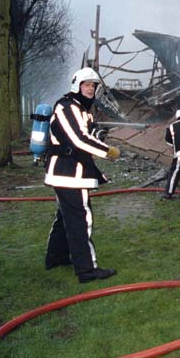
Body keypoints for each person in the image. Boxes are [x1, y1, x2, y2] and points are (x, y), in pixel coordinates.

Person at [44, 67, 121, 283]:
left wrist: (98, 132)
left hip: (68, 173)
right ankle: (87, 270)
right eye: (87, 84)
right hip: (69, 173)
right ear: (77, 85)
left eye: (93, 85)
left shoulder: (81, 109)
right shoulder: (67, 106)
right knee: (80, 218)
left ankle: (55, 257)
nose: (91, 88)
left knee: (65, 217)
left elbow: (89, 130)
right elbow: (78, 139)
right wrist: (108, 151)